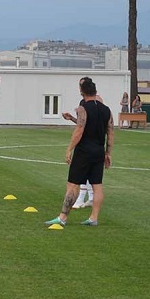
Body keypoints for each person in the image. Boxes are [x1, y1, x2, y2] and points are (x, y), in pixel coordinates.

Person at [45, 78, 113, 227]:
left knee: (72, 185)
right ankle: (94, 218)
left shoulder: (83, 108)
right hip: (98, 152)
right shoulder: (106, 110)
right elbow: (110, 132)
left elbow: (80, 130)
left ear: (82, 91)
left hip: (84, 152)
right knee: (97, 185)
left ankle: (62, 217)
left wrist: (69, 149)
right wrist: (108, 153)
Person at [62, 77, 104, 208]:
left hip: (87, 146)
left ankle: (77, 202)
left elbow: (82, 128)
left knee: (77, 178)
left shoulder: (96, 103)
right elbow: (84, 124)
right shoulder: (85, 103)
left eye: (81, 85)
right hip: (97, 147)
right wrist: (72, 118)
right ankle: (92, 210)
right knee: (95, 181)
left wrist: (69, 149)